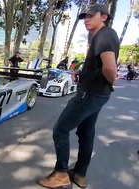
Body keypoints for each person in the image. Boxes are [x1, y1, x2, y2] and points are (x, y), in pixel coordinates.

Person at [37, 4, 120, 189]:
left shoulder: (105, 35)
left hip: (90, 93)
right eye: (84, 17)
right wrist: (81, 72)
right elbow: (97, 65)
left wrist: (111, 80)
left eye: (91, 16)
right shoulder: (97, 35)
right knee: (86, 132)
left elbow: (109, 67)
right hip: (96, 92)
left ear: (104, 17)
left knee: (60, 129)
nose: (86, 19)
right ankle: (80, 174)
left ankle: (60, 174)